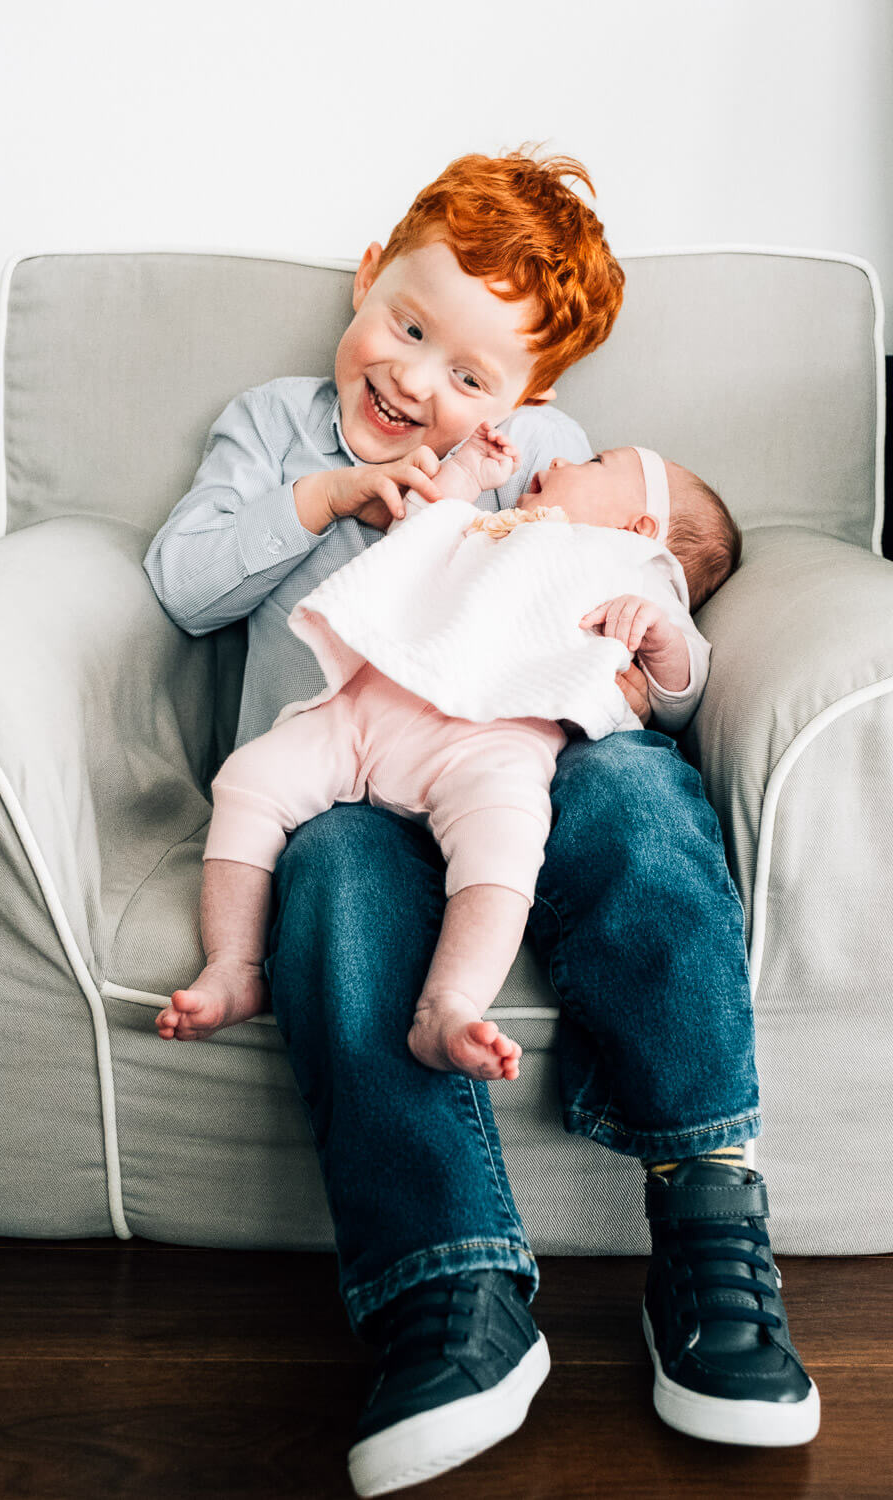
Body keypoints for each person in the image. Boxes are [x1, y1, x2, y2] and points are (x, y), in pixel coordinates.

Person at [143, 149, 819, 1498]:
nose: (414, 386)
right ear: (367, 281)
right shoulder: (275, 425)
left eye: (470, 377)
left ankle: (706, 1208)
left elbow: (643, 658)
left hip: (516, 756)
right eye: (404, 326)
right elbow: (181, 583)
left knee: (635, 789)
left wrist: (650, 644)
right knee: (334, 894)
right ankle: (449, 1296)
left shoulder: (546, 463)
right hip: (335, 779)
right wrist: (326, 498)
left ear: (530, 401)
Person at [155, 431, 736, 1092]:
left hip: (495, 738)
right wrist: (466, 469)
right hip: (368, 707)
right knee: (249, 783)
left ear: (642, 526)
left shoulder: (634, 568)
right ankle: (233, 962)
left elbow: (683, 689)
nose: (565, 460)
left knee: (505, 843)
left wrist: (657, 635)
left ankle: (449, 1004)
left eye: (596, 464)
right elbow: (426, 526)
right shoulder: (500, 528)